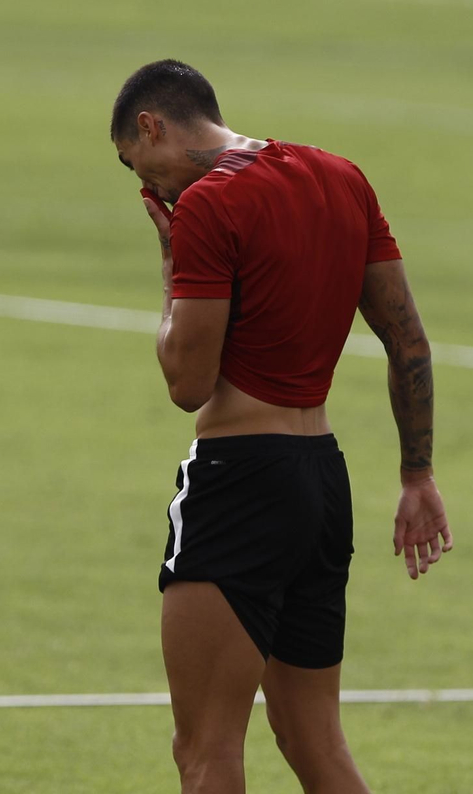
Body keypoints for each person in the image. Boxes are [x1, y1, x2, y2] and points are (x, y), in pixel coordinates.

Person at [110, 59, 452, 794]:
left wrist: (170, 260)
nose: (148, 188)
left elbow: (186, 382)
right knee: (312, 737)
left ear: (151, 125)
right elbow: (410, 342)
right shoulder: (341, 178)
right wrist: (417, 474)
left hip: (240, 482)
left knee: (205, 748)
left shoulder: (207, 207)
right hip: (323, 483)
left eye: (137, 166)